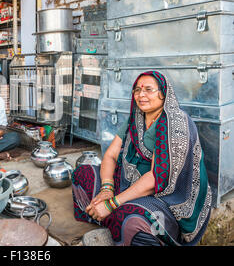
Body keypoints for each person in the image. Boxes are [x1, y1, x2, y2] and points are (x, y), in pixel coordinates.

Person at [72, 71, 212, 246]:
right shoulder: (136, 118)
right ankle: (108, 217)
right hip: (127, 183)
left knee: (131, 219)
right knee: (82, 174)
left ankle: (113, 218)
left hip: (164, 197)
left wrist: (111, 204)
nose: (141, 94)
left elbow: (156, 179)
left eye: (148, 89)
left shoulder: (177, 124)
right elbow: (111, 154)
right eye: (137, 90)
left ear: (163, 93)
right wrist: (107, 189)